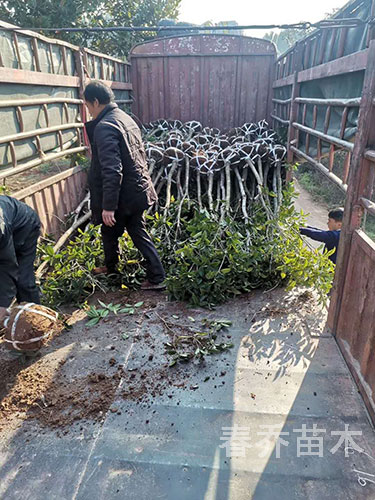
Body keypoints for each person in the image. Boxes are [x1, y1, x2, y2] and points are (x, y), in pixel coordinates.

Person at [83, 80, 166, 290]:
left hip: (124, 197)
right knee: (123, 231)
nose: (88, 112)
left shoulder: (105, 126)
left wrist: (108, 206)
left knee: (123, 231)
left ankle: (150, 276)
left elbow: (112, 170)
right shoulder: (125, 118)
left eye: (87, 106)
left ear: (94, 101)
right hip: (138, 189)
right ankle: (117, 269)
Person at [0, 195, 41, 323]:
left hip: (26, 227)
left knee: (23, 280)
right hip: (10, 226)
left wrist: (2, 304)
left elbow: (7, 265)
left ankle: (35, 323)